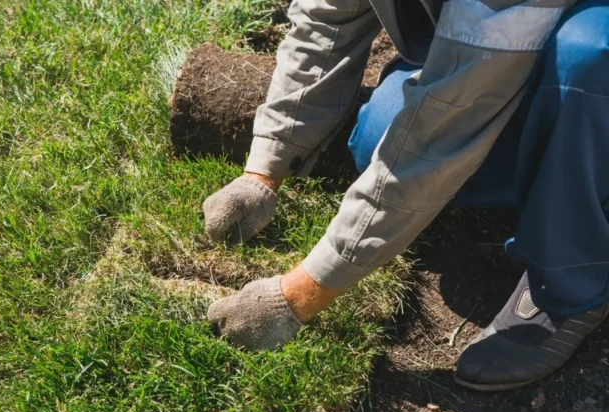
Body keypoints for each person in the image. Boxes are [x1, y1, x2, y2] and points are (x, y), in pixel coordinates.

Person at [202, 0, 609, 392]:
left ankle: (570, 282)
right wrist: (265, 170)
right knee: (379, 132)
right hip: (504, 31)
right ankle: (556, 160)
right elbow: (326, 19)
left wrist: (295, 297)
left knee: (588, 57)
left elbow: (441, 129)